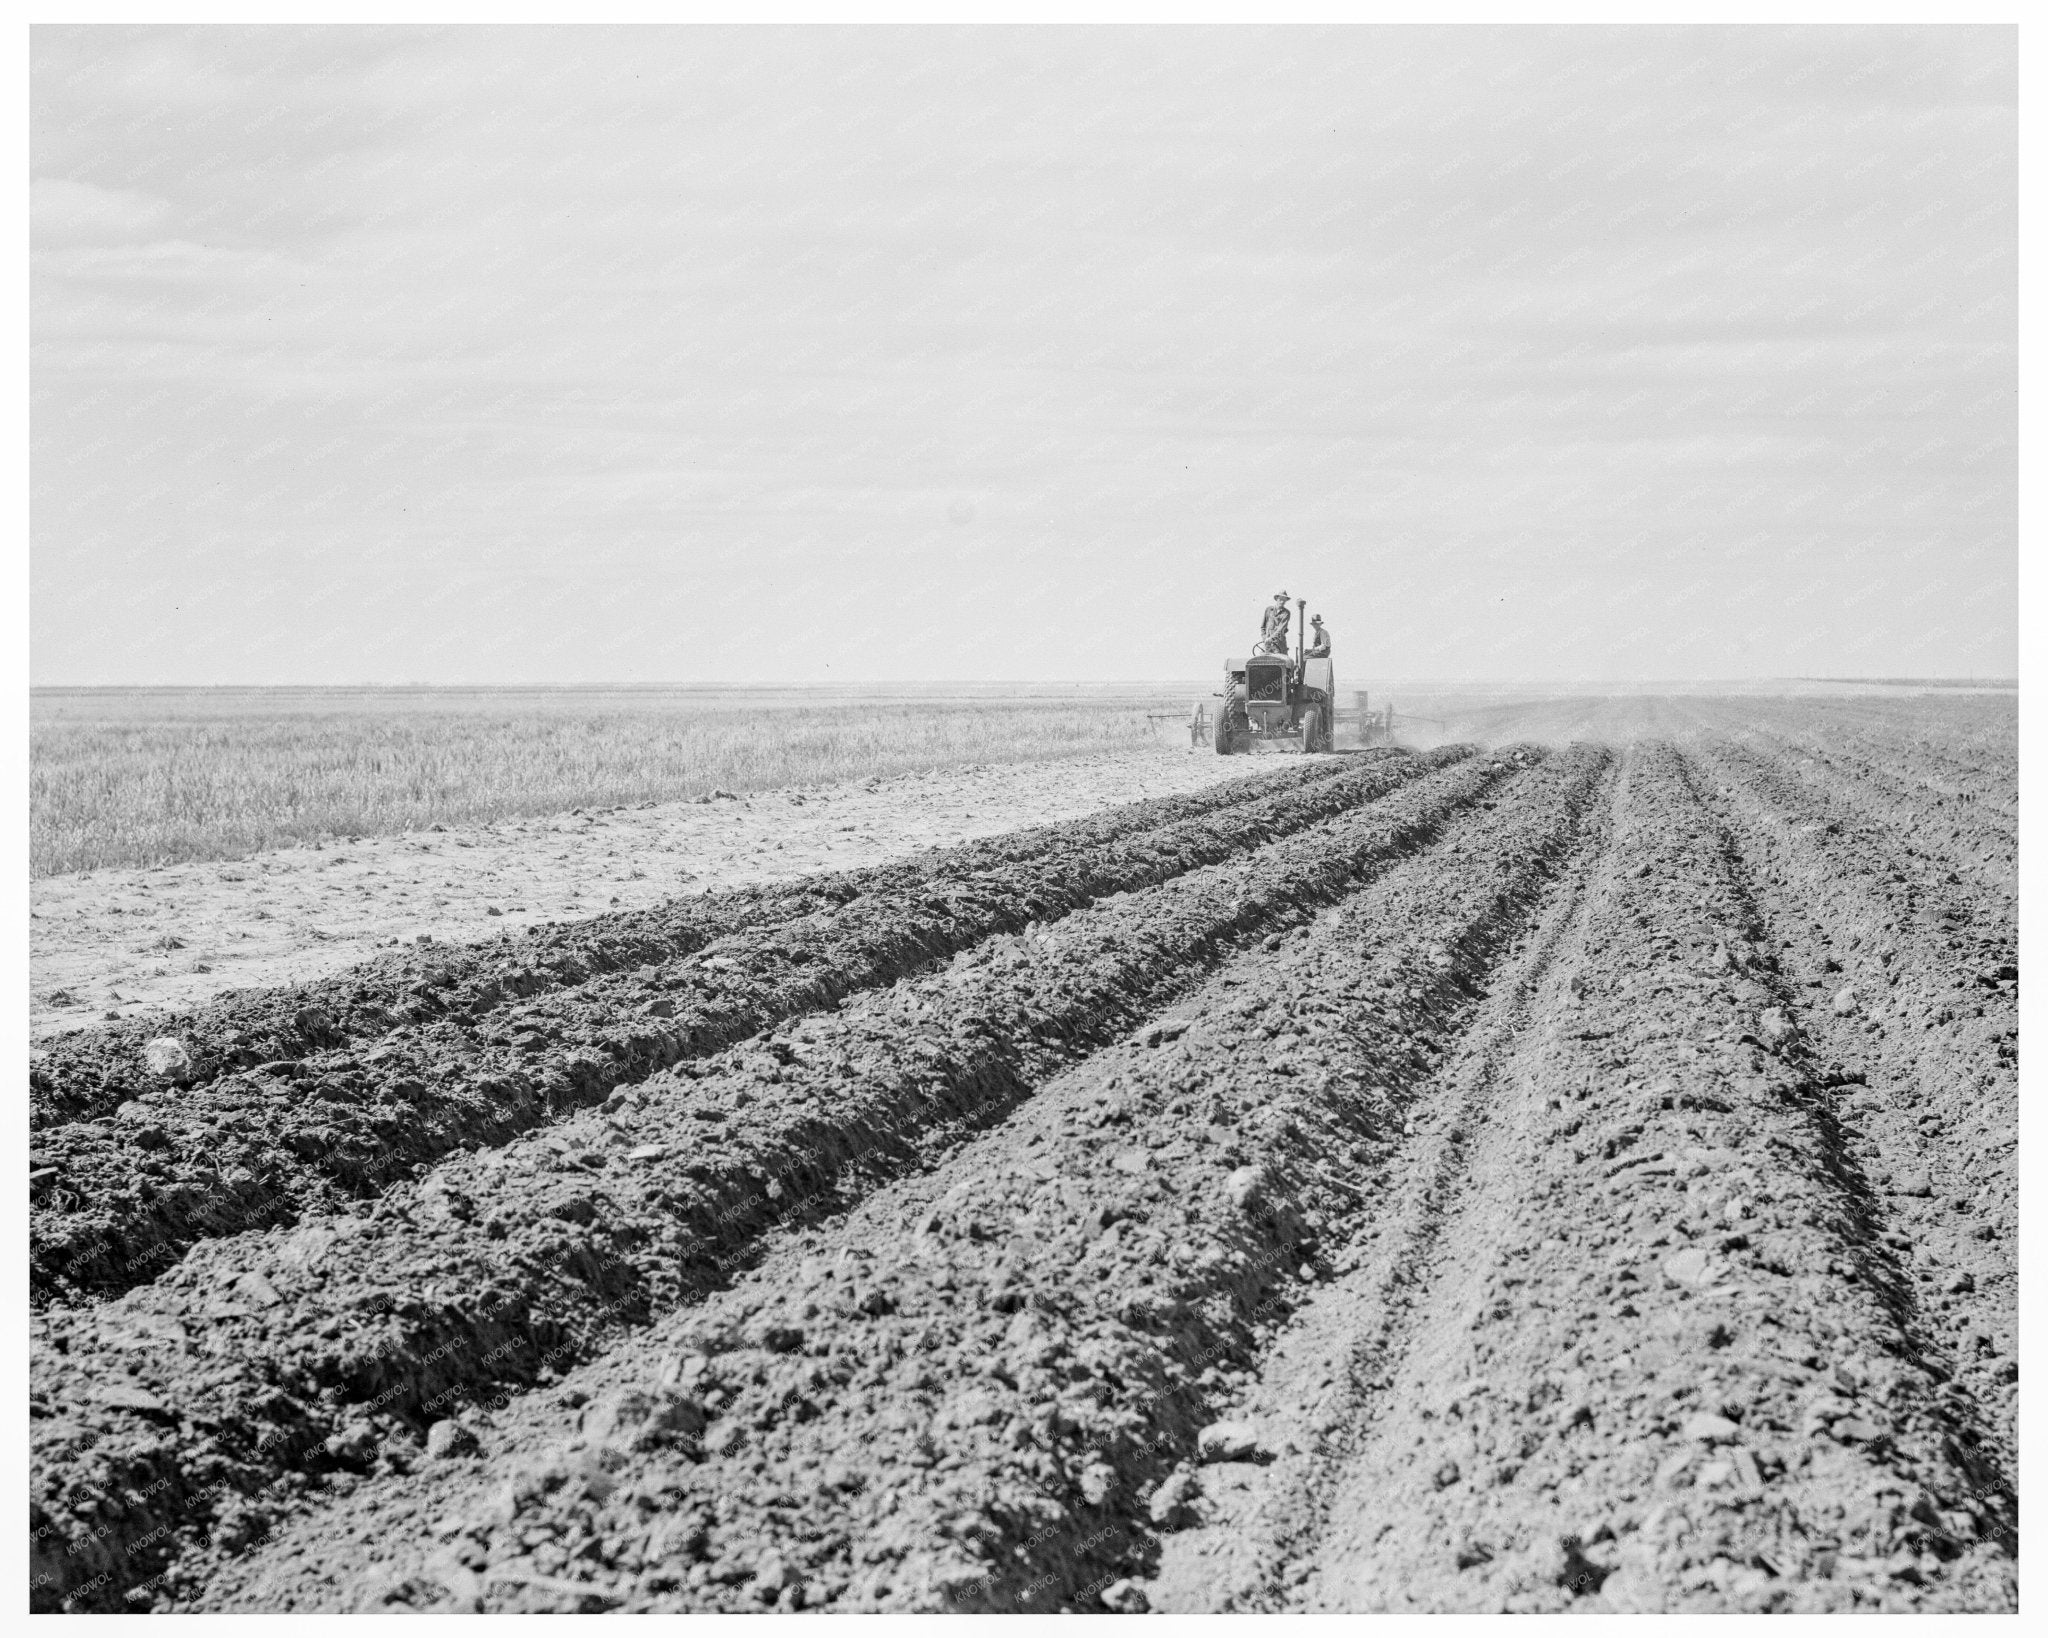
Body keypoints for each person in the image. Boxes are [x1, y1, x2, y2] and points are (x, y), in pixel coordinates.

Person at [1258, 591, 1292, 656]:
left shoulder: (1286, 613)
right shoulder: (1269, 610)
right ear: (1277, 599)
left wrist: (1271, 638)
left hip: (1279, 643)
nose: (1282, 602)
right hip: (1267, 643)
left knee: (1283, 662)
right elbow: (1263, 627)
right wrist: (1264, 638)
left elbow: (1281, 628)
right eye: (1281, 599)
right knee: (1262, 661)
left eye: (1284, 600)